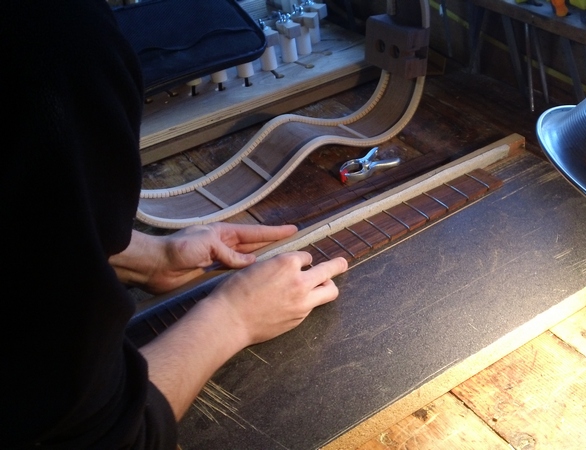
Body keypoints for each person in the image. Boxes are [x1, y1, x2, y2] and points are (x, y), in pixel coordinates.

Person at [3, 0, 347, 448]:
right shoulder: (58, 43)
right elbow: (104, 441)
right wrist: (233, 317)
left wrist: (147, 258)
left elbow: (16, 229)